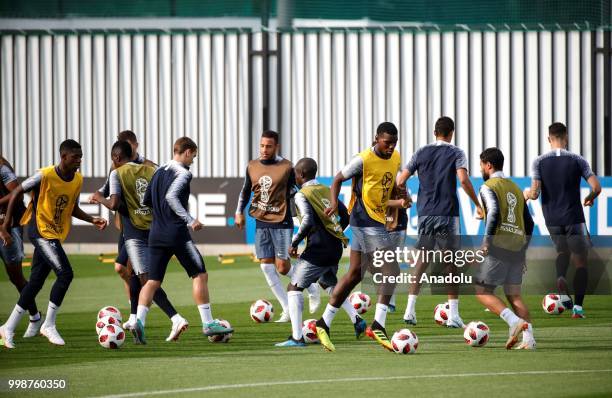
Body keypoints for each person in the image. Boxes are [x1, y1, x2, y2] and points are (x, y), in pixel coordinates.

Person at [0, 140, 108, 348]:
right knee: (65, 273)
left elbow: (72, 207)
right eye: (75, 156)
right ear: (63, 157)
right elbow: (15, 193)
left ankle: (8, 327)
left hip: (55, 234)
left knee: (35, 282)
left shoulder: (77, 180)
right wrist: (5, 226)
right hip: (40, 231)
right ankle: (48, 324)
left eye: (81, 156)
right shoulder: (44, 175)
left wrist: (92, 219)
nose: (79, 160)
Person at [133, 137, 233, 344]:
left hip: (156, 233)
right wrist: (189, 220)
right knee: (200, 274)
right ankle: (208, 323)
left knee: (152, 281)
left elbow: (147, 201)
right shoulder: (184, 173)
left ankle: (139, 322)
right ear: (187, 152)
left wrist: (161, 219)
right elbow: (171, 197)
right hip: (176, 233)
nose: (193, 161)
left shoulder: (158, 172)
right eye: (193, 156)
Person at [314, 122, 402, 352]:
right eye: (387, 143)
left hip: (376, 221)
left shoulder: (396, 158)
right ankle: (379, 325)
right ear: (376, 139)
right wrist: (334, 203)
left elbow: (390, 186)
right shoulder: (363, 159)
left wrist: (395, 207)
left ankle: (324, 323)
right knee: (392, 271)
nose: (391, 147)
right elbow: (336, 179)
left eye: (394, 142)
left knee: (354, 274)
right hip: (365, 220)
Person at [91, 141, 188, 342]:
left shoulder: (117, 173)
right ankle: (137, 322)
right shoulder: (151, 169)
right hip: (155, 229)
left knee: (146, 279)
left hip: (134, 234)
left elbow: (114, 203)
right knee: (140, 276)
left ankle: (175, 318)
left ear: (116, 158)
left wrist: (98, 198)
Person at [396, 117, 483, 327]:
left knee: (422, 261)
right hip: (447, 214)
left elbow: (400, 180)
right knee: (450, 264)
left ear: (435, 132)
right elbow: (463, 180)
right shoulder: (456, 152)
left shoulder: (421, 152)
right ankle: (453, 315)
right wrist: (477, 203)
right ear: (451, 132)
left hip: (425, 213)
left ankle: (409, 310)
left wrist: (406, 198)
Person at [275, 158, 366, 347]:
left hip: (318, 249)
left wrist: (294, 242)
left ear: (300, 175)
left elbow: (307, 221)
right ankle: (357, 319)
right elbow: (346, 216)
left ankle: (297, 337)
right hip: (334, 248)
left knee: (294, 288)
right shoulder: (326, 190)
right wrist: (335, 232)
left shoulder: (302, 195)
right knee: (329, 284)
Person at [235, 131, 320, 323]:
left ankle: (311, 286)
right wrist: (238, 211)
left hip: (282, 222)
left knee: (282, 267)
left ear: (276, 147)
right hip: (260, 221)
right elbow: (245, 190)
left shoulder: (287, 167)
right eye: (262, 146)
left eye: (269, 146)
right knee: (266, 266)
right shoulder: (252, 166)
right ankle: (286, 309)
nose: (264, 150)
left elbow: (299, 190)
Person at [524, 122, 601, 318]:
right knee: (581, 262)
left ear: (548, 138)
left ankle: (560, 277)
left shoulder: (539, 162)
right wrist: (590, 199)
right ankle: (578, 308)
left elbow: (534, 193)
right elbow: (597, 187)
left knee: (561, 251)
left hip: (552, 218)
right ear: (566, 137)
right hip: (574, 217)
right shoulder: (577, 160)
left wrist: (526, 194)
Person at [91, 130, 157, 315]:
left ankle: (138, 311)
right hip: (125, 227)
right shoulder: (116, 168)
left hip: (141, 227)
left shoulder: (149, 166)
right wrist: (96, 197)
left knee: (130, 268)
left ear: (135, 145)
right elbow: (106, 190)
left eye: (129, 144)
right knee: (123, 269)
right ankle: (136, 305)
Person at [476, 147, 536, 349]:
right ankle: (529, 340)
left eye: (482, 165)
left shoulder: (488, 186)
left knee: (482, 291)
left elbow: (493, 213)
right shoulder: (516, 189)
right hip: (517, 248)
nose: (481, 169)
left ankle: (514, 322)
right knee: (514, 295)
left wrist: (486, 241)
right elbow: (529, 224)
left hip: (499, 246)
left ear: (489, 165)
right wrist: (524, 251)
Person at [0, 156, 42, 338]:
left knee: (16, 277)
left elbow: (16, 194)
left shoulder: (2, 169)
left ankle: (35, 316)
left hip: (10, 227)